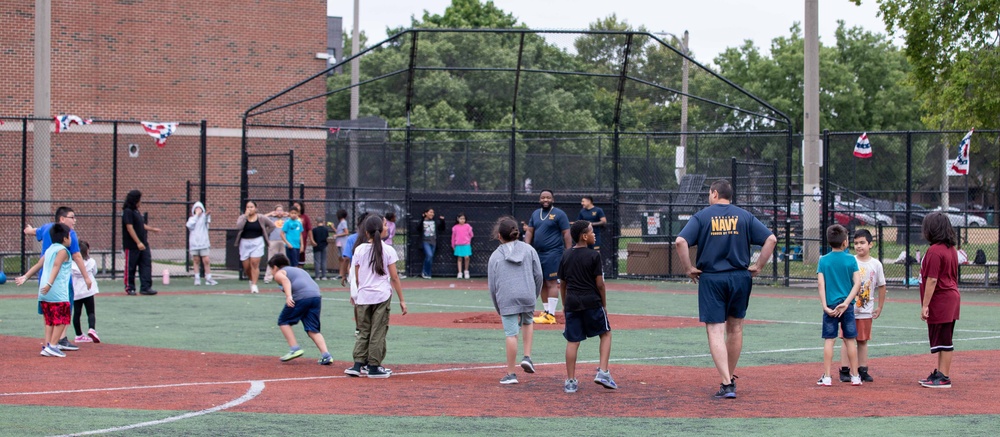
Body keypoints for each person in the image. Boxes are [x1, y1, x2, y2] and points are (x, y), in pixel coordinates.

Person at [675, 179, 777, 399]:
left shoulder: (702, 216)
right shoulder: (744, 216)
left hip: (712, 278)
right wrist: (758, 266)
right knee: (736, 328)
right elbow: (771, 238)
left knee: (715, 330)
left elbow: (680, 241)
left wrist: (688, 268)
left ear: (714, 193)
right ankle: (729, 377)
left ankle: (726, 382)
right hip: (740, 277)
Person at [345, 215, 407, 379]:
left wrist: (359, 292)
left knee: (363, 330)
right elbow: (394, 277)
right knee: (378, 331)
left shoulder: (359, 249)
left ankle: (358, 364)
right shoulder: (388, 250)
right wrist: (402, 299)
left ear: (366, 233)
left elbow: (357, 277)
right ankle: (374, 366)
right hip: (381, 295)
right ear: (381, 230)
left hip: (364, 296)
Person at [23, 206, 93, 351]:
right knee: (64, 311)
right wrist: (86, 277)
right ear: (62, 219)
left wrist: (29, 230)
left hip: (44, 277)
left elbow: (35, 232)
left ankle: (49, 343)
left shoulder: (47, 228)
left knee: (48, 312)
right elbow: (77, 256)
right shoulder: (69, 235)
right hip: (60, 281)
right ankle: (59, 340)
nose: (74, 220)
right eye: (72, 217)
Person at [559, 220, 617, 393]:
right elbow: (600, 284)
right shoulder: (594, 256)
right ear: (584, 236)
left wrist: (564, 304)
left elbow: (562, 284)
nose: (594, 234)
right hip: (592, 301)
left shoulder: (566, 255)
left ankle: (570, 381)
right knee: (605, 333)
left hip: (572, 302)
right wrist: (604, 304)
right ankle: (603, 372)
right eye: (592, 232)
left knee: (573, 341)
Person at [487, 216, 543, 385]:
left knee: (511, 334)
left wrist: (499, 307)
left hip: (507, 298)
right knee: (528, 322)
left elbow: (492, 286)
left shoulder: (495, 256)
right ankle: (527, 356)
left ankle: (511, 374)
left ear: (499, 236)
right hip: (527, 294)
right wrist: (534, 294)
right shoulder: (529, 249)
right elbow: (539, 274)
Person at [917, 212, 961, 389]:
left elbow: (932, 279)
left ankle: (944, 377)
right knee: (943, 338)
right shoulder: (950, 249)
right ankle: (941, 373)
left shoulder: (935, 251)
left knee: (944, 339)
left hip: (942, 299)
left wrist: (925, 305)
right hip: (949, 297)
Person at [816, 224, 862, 387]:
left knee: (829, 340)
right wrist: (846, 303)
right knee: (850, 340)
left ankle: (827, 376)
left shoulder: (823, 260)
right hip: (846, 306)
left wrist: (825, 306)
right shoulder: (851, 259)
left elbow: (821, 285)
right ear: (845, 242)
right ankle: (855, 376)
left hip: (830, 306)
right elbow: (857, 283)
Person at [17, 224, 73, 357]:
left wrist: (25, 276)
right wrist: (50, 283)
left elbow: (38, 264)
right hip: (57, 291)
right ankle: (53, 346)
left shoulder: (49, 250)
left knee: (49, 321)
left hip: (44, 292)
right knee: (62, 319)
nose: (71, 238)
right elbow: (56, 266)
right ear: (65, 238)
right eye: (70, 236)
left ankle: (48, 345)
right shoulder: (63, 251)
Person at [267, 253, 333, 365]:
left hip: (302, 297)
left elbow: (286, 281)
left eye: (271, 269)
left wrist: (288, 296)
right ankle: (326, 355)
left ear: (275, 267)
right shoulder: (298, 270)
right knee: (312, 328)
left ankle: (294, 348)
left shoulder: (279, 273)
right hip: (316, 296)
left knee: (283, 321)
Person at [838, 229, 886, 383]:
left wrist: (879, 307)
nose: (859, 246)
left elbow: (882, 286)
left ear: (870, 244)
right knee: (846, 339)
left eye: (862, 243)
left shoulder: (876, 264)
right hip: (849, 309)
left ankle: (862, 369)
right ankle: (845, 370)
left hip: (866, 309)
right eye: (856, 243)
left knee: (862, 340)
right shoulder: (850, 261)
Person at [524, 190, 571, 324]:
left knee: (551, 282)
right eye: (543, 197)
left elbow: (566, 233)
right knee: (541, 282)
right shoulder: (535, 214)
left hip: (553, 253)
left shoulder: (559, 214)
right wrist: (526, 247)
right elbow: (529, 231)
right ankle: (546, 312)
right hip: (538, 253)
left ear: (553, 200)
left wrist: (569, 252)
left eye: (548, 197)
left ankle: (551, 314)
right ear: (539, 199)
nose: (545, 199)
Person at [122, 190, 161, 296]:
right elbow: (130, 228)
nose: (141, 202)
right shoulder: (128, 211)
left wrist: (153, 229)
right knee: (131, 267)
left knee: (146, 265)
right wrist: (138, 242)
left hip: (144, 244)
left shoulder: (136, 212)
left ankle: (146, 287)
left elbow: (141, 225)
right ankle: (130, 287)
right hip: (132, 246)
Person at [235, 200, 277, 294]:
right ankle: (251, 279)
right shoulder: (242, 217)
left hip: (257, 241)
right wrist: (245, 216)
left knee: (254, 263)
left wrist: (265, 233)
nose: (249, 209)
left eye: (251, 207)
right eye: (247, 207)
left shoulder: (261, 217)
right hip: (244, 242)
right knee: (246, 267)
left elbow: (272, 226)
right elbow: (239, 227)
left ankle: (254, 285)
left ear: (255, 208)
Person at [70, 241, 101, 344]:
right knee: (91, 312)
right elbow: (94, 272)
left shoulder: (71, 263)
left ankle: (78, 335)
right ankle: (92, 329)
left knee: (77, 314)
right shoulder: (91, 261)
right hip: (88, 290)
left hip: (76, 291)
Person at [186, 201, 217, 286]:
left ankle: (209, 277)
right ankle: (197, 278)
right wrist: (196, 215)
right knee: (196, 260)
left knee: (206, 260)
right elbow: (189, 225)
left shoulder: (204, 217)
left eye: (200, 208)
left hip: (204, 243)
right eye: (196, 208)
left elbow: (207, 220)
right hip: (194, 244)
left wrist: (207, 215)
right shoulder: (192, 219)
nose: (198, 210)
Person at [263, 204, 288, 284]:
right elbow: (262, 218)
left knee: (284, 259)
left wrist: (288, 214)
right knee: (271, 259)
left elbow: (298, 218)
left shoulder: (286, 219)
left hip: (283, 240)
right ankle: (268, 277)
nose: (279, 212)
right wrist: (271, 213)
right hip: (273, 240)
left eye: (281, 210)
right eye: (278, 210)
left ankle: (283, 277)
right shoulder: (271, 219)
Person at [420, 208, 445, 279]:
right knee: (429, 255)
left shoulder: (435, 222)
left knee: (430, 258)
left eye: (433, 212)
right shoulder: (423, 221)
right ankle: (424, 272)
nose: (432, 214)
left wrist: (442, 221)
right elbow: (418, 228)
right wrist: (422, 219)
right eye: (430, 212)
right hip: (425, 241)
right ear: (426, 213)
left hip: (433, 242)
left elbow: (442, 228)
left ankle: (428, 273)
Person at [451, 213, 474, 279]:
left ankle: (466, 271)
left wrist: (468, 239)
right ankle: (460, 272)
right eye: (461, 218)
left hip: (466, 244)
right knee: (459, 258)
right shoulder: (455, 228)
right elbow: (453, 237)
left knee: (467, 257)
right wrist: (453, 245)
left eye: (463, 219)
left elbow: (471, 235)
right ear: (458, 219)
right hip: (458, 245)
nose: (462, 220)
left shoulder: (468, 226)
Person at [311, 215, 331, 280]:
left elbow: (313, 238)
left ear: (317, 222)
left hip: (316, 246)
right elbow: (326, 237)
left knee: (317, 261)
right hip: (324, 246)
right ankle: (324, 275)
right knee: (324, 261)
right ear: (323, 221)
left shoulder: (314, 230)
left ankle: (317, 276)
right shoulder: (326, 229)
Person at [334, 209, 350, 276]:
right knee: (340, 258)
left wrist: (337, 235)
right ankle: (341, 273)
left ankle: (348, 273)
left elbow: (346, 232)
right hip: (339, 243)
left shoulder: (343, 222)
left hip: (343, 242)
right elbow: (339, 232)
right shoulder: (341, 223)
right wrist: (333, 228)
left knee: (344, 258)